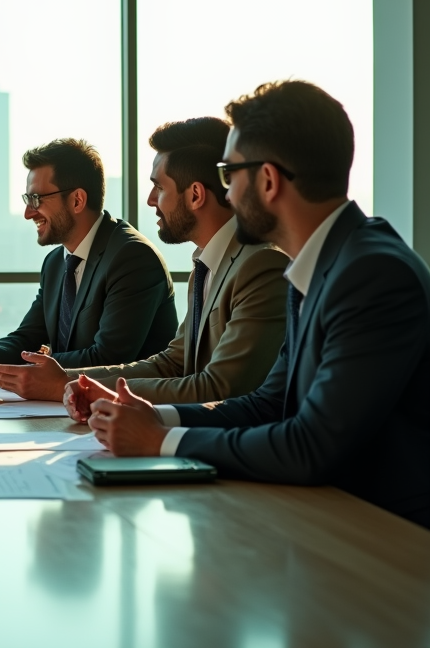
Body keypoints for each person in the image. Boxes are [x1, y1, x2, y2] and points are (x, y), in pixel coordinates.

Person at [70, 81, 430, 528]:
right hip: (325, 521)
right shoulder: (322, 265)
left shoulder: (371, 274)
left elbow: (310, 446)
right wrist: (156, 416)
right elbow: (268, 404)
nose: (227, 195)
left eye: (228, 175)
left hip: (385, 540)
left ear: (267, 180)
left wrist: (163, 442)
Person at [0, 118, 289, 403]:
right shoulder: (206, 265)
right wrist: (71, 381)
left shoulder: (259, 266)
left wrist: (76, 388)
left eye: (160, 187)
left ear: (195, 195)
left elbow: (217, 387)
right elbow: (172, 363)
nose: (151, 200)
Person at [0, 138, 177, 381]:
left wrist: (28, 369)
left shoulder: (132, 258)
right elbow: (29, 337)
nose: (27, 213)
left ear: (77, 200)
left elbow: (108, 359)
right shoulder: (57, 262)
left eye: (36, 199)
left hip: (130, 414)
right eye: (27, 200)